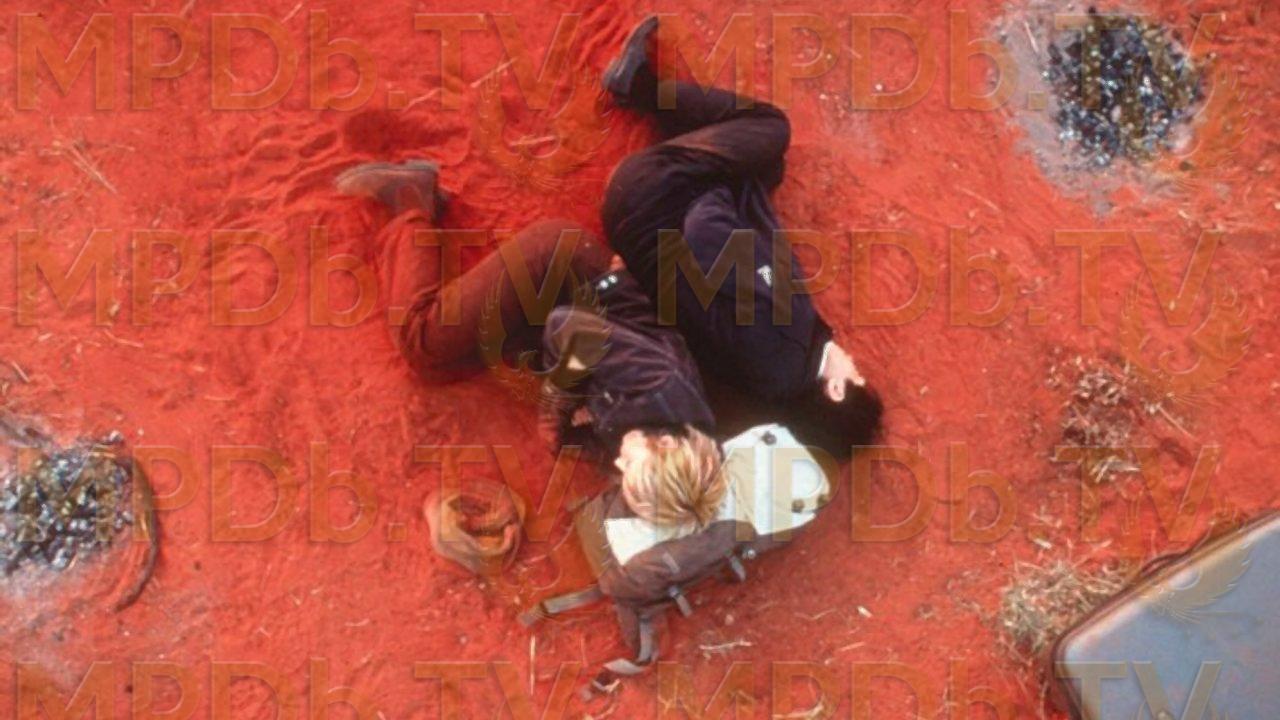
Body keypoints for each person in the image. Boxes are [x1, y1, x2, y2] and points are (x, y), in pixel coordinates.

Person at [335, 161, 725, 530]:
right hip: (556, 275)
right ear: (667, 443)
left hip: (567, 317)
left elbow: (614, 441)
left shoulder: (679, 455)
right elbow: (571, 330)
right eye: (630, 465)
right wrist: (557, 407)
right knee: (424, 342)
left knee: (448, 366)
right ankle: (410, 197)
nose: (621, 465)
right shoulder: (658, 385)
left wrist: (579, 443)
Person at [599, 17, 883, 459]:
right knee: (766, 168)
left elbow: (705, 230)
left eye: (857, 375)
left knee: (769, 128)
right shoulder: (764, 388)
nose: (854, 364)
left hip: (650, 195)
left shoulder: (789, 331)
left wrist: (728, 186)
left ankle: (638, 86)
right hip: (632, 231)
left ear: (836, 389)